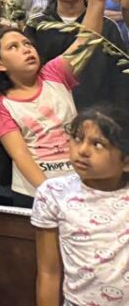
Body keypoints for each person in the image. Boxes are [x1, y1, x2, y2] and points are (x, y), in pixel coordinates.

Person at [0, 0, 113, 205]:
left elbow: (86, 40)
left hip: (79, 184)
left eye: (27, 44)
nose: (26, 49)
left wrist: (96, 1)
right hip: (36, 194)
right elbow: (20, 155)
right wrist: (49, 193)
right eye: (14, 47)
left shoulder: (54, 74)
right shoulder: (2, 105)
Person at [31, 104, 129, 306]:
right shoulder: (53, 194)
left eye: (98, 144)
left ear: (126, 162)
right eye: (77, 138)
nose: (83, 150)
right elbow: (49, 271)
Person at [26, 0, 129, 110]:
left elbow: (120, 76)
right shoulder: (37, 25)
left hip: (99, 112)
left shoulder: (107, 25)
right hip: (52, 112)